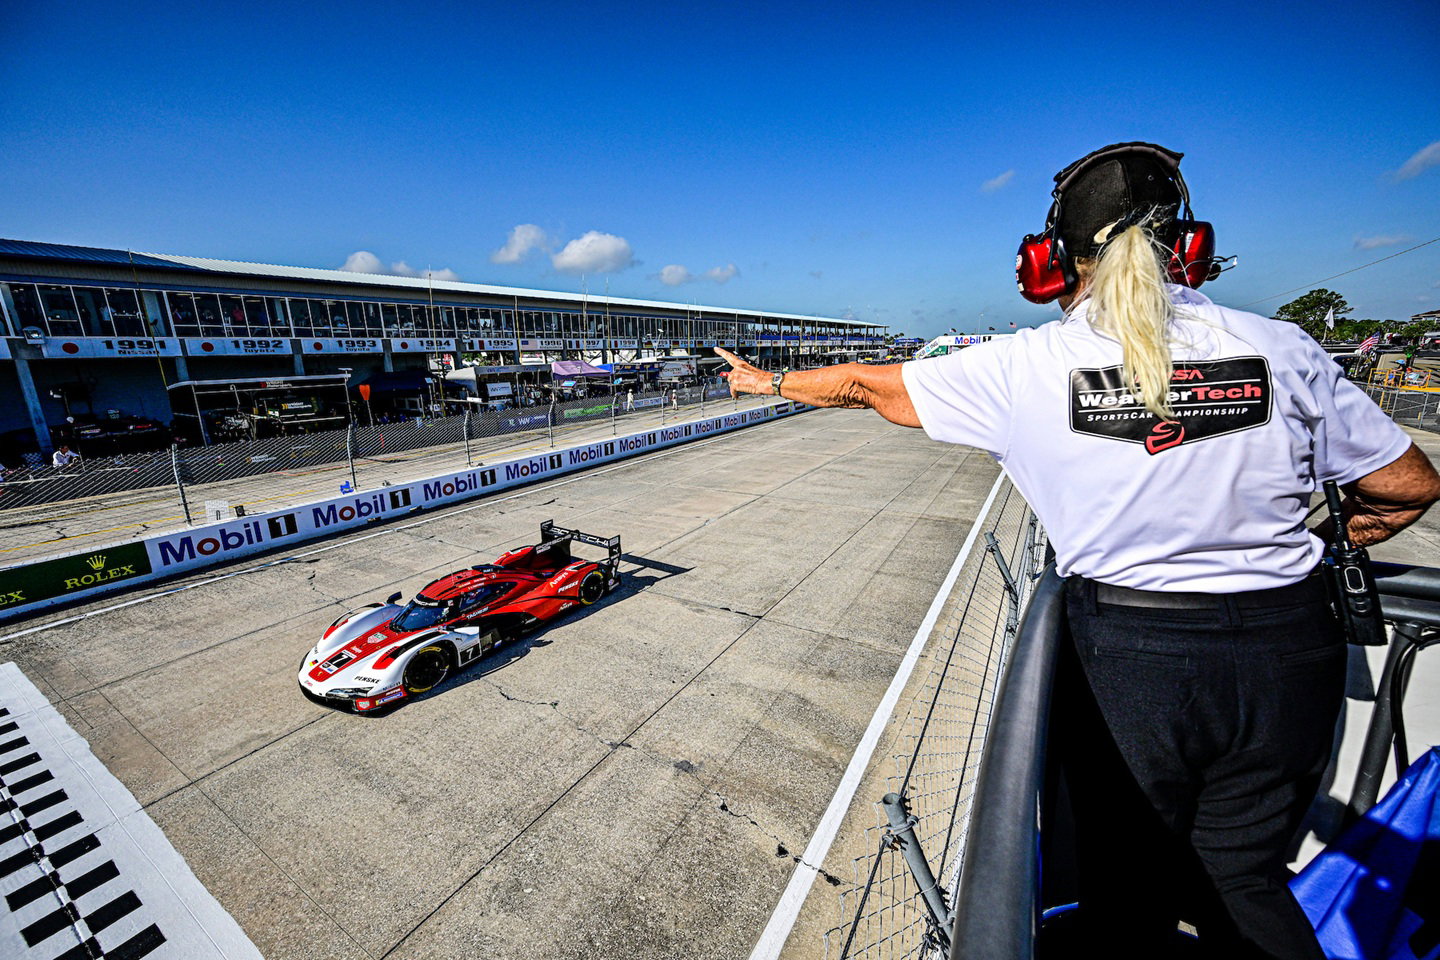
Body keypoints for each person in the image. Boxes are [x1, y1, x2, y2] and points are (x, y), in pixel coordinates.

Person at [718, 142, 1440, 958]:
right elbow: (1407, 487)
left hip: (1132, 666)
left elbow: (865, 384)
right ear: (1190, 247)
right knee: (1243, 880)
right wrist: (1308, 548)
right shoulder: (1284, 347)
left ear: (1054, 261)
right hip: (1289, 652)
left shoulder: (1026, 366)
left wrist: (765, 383)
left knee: (1124, 898)